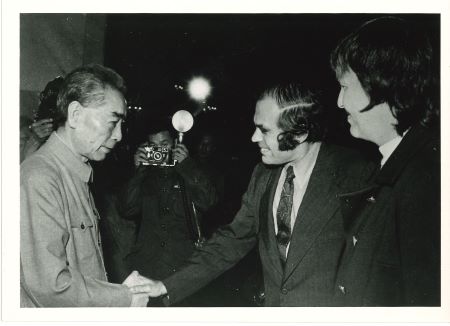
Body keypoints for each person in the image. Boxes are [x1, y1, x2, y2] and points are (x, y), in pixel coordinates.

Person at [129, 82, 374, 306]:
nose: (254, 137)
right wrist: (164, 285)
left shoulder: (355, 173)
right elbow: (230, 242)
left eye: (263, 130)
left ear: (299, 133)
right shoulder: (263, 175)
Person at [20, 64, 152, 307]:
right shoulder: (40, 177)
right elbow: (51, 288)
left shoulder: (76, 172)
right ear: (76, 115)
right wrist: (124, 297)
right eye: (113, 122)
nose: (119, 136)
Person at [329, 16, 440, 306]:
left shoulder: (427, 184)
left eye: (345, 87)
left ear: (382, 85)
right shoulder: (399, 168)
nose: (340, 102)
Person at [118, 120, 218, 303]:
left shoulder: (191, 170)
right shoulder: (144, 176)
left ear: (175, 144)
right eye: (153, 146)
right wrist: (138, 171)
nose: (160, 151)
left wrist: (186, 165)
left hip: (182, 267)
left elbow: (208, 201)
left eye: (164, 145)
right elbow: (126, 209)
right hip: (148, 266)